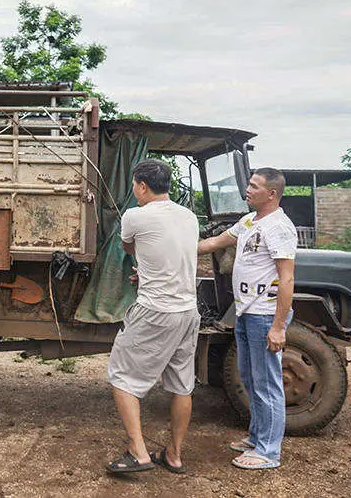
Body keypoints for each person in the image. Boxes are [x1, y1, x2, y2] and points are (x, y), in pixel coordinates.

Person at [198, 167, 296, 470]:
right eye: (249, 185)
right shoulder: (250, 221)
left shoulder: (279, 226)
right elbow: (212, 244)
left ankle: (269, 452)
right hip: (245, 312)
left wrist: (279, 327)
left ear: (272, 194)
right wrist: (170, 247)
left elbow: (287, 278)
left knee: (267, 383)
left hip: (265, 316)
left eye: (254, 186)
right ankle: (257, 437)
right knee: (251, 378)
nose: (248, 190)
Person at [106, 159, 201, 475]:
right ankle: (173, 455)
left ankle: (138, 452)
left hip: (155, 312)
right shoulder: (188, 216)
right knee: (181, 386)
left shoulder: (134, 216)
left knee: (121, 377)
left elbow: (128, 247)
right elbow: (167, 253)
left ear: (142, 186)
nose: (134, 191)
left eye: (134, 185)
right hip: (188, 312)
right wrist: (145, 274)